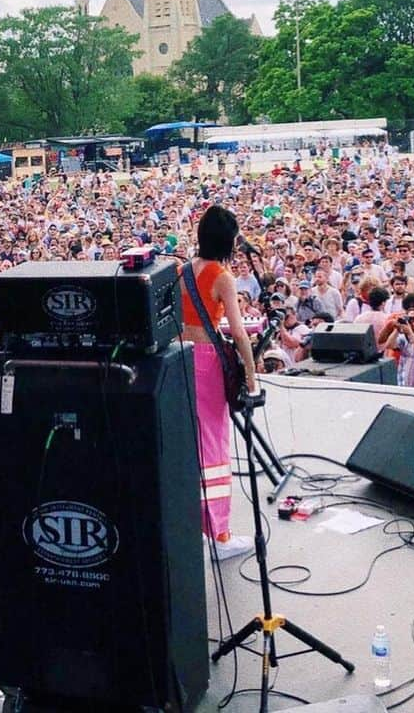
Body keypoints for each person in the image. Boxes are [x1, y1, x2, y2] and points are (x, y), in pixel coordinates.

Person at [180, 205, 258, 561]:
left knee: (189, 443)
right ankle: (219, 534)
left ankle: (191, 526)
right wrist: (252, 374)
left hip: (179, 360)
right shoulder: (222, 276)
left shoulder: (182, 271)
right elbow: (239, 333)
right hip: (207, 364)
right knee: (213, 446)